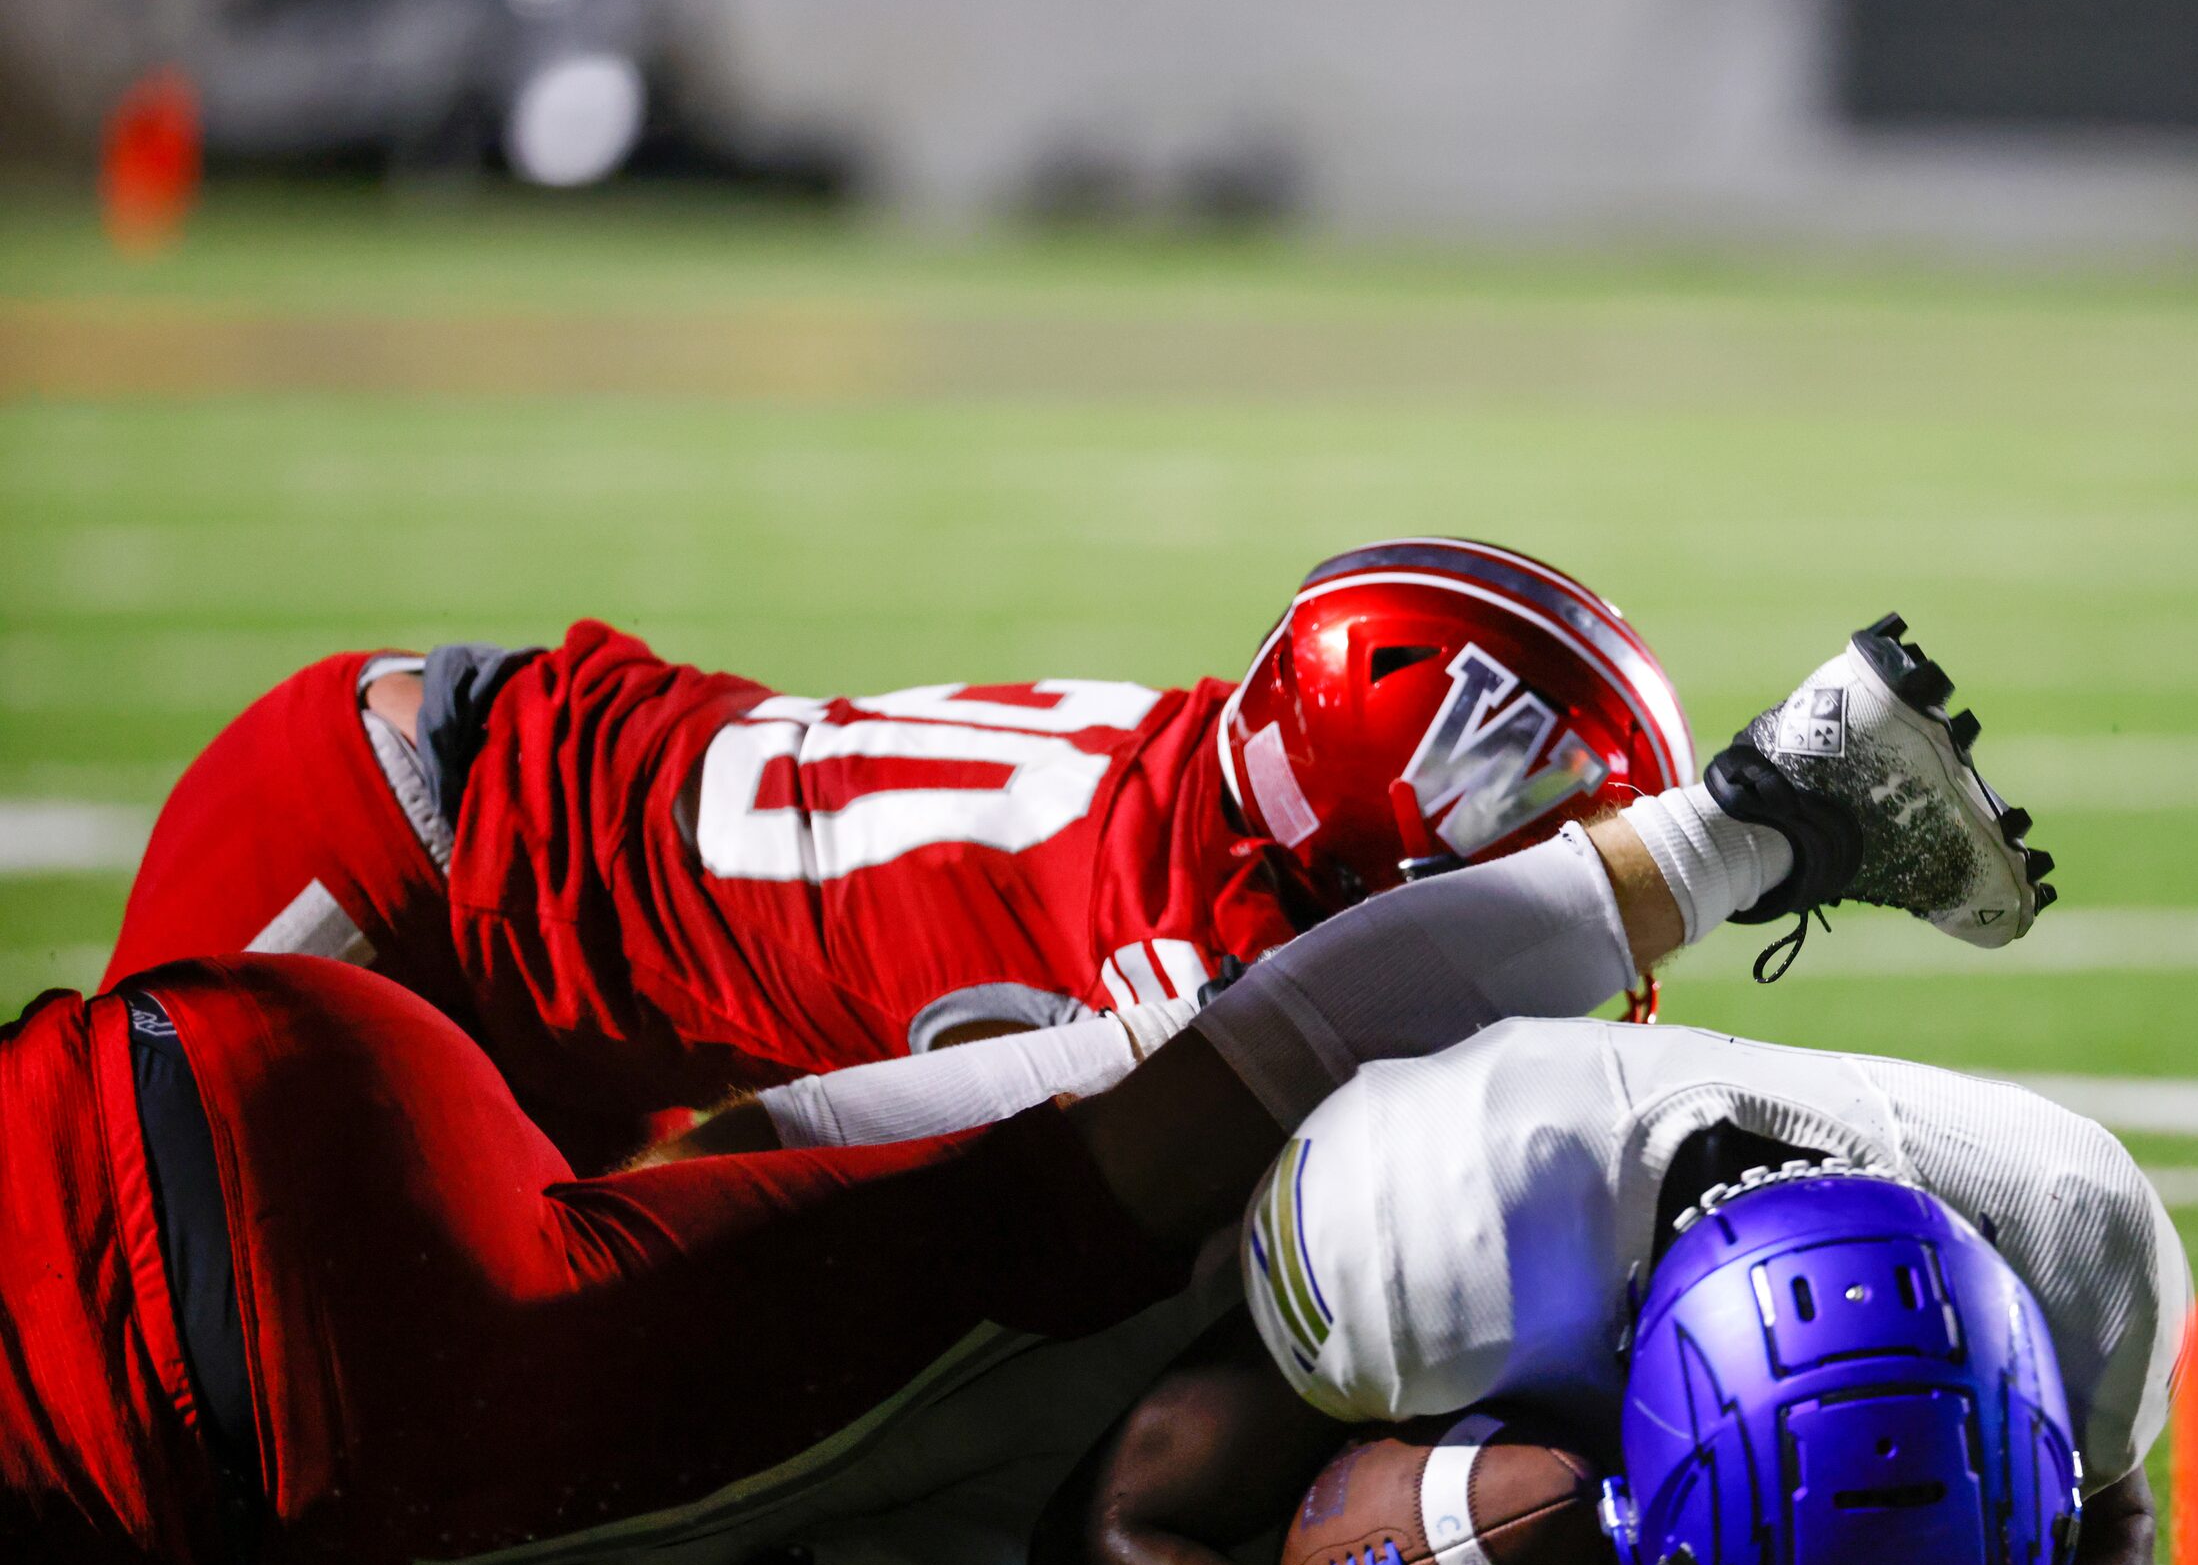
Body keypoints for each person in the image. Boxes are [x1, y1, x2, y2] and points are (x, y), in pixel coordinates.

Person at [5, 610, 2044, 1565]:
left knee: (1055, 1224)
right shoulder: (1160, 898)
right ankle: (1745, 830)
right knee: (988, 1285)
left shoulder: (1196, 850)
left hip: (366, 1216)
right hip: (314, 992)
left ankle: (1745, 829)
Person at [101, 541, 1694, 1170]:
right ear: (1369, 829)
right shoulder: (1163, 947)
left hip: (567, 958)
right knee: (116, 1362)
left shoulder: (1207, 809)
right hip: (399, 855)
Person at [1025, 1019, 2187, 1565]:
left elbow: (2113, 1499)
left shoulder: (2075, 1242)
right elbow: (1112, 1534)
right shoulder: (1435, 1243)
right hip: (1101, 1223)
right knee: (1530, 1513)